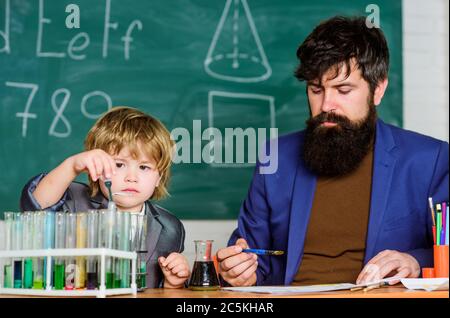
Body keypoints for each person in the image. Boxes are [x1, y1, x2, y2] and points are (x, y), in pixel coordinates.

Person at [217, 16, 449, 287]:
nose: (327, 104)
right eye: (316, 89)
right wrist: (240, 270)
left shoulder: (430, 159)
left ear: (378, 89)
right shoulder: (275, 157)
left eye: (343, 89)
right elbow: (253, 256)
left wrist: (414, 262)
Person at [20, 106, 190, 288]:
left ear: (159, 177)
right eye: (119, 164)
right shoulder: (74, 200)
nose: (131, 177)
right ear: (97, 166)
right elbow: (36, 205)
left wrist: (174, 284)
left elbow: (165, 287)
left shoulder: (170, 227)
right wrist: (72, 166)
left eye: (143, 167)